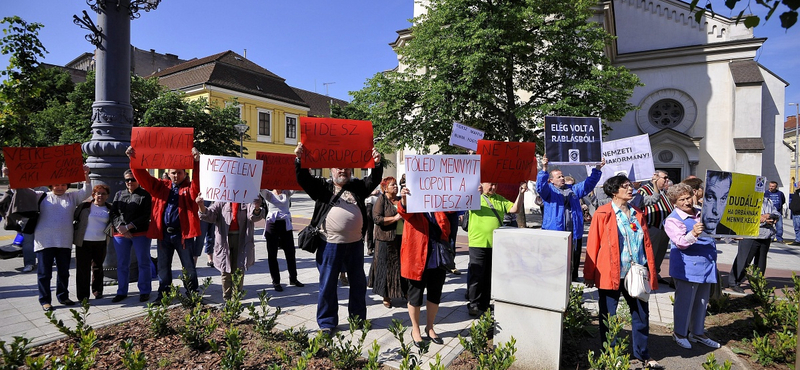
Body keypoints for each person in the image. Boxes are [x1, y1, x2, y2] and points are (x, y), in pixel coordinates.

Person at [294, 142, 383, 332]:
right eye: (338, 167)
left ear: (351, 170)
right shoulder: (322, 187)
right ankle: (327, 323)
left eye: (346, 167)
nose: (343, 170)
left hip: (355, 245)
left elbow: (374, 179)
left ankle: (358, 319)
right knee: (328, 284)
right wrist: (299, 159)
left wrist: (377, 163)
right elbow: (303, 179)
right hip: (330, 245)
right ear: (331, 169)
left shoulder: (357, 186)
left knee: (358, 283)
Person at [583, 175, 661, 369]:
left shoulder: (637, 213)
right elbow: (593, 244)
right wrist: (589, 274)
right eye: (624, 186)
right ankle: (612, 353)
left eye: (629, 185)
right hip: (610, 273)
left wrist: (650, 269)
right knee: (609, 316)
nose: (630, 189)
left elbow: (647, 245)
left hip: (636, 273)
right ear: (613, 191)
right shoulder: (602, 213)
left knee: (642, 315)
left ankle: (643, 354)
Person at [126, 146, 202, 300]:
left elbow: (197, 183)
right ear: (168, 173)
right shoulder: (160, 187)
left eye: (179, 172)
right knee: (163, 267)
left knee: (188, 266)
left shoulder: (190, 189)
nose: (176, 175)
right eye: (173, 172)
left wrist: (196, 163)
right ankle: (163, 295)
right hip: (164, 234)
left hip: (183, 235)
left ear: (185, 173)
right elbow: (143, 178)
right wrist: (133, 160)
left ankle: (192, 294)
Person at [26, 165, 93, 311]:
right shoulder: (41, 196)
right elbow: (21, 192)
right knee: (44, 274)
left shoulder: (71, 197)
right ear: (50, 185)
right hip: (44, 241)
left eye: (63, 184)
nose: (60, 187)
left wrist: (86, 174)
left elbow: (87, 191)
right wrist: (11, 175)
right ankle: (45, 300)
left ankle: (63, 296)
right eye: (56, 184)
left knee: (64, 272)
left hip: (64, 241)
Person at [663, 183, 721, 349]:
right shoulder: (673, 219)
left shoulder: (701, 212)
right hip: (687, 267)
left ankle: (697, 333)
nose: (687, 202)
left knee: (702, 301)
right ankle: (680, 333)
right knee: (684, 302)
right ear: (675, 202)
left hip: (706, 264)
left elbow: (713, 232)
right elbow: (680, 242)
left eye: (688, 197)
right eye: (681, 200)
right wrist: (693, 233)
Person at [536, 156, 605, 282]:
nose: (562, 178)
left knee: (573, 257)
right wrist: (544, 168)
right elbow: (540, 187)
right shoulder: (548, 192)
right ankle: (554, 282)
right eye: (559, 177)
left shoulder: (572, 189)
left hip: (573, 232)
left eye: (562, 176)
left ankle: (572, 281)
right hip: (555, 232)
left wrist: (598, 168)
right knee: (555, 261)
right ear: (551, 180)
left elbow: (588, 184)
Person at [397, 186, 450, 346]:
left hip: (437, 258)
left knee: (435, 294)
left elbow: (454, 210)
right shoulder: (412, 203)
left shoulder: (439, 204)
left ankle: (430, 327)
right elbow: (403, 211)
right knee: (415, 296)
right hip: (417, 257)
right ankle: (415, 329)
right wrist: (404, 199)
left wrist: (471, 192)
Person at [466, 181, 526, 316]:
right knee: (477, 275)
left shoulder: (499, 199)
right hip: (478, 243)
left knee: (488, 275)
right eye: (491, 184)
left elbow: (515, 209)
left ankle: (485, 303)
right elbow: (466, 203)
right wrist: (475, 192)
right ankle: (474, 303)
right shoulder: (476, 197)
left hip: (495, 243)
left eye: (496, 185)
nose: (493, 187)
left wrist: (520, 194)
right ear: (482, 183)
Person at [197, 196, 264, 300]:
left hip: (242, 239)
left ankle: (236, 298)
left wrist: (257, 207)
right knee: (225, 270)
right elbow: (210, 215)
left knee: (239, 269)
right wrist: (201, 205)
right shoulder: (221, 199)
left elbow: (254, 217)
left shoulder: (246, 198)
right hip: (224, 240)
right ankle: (227, 298)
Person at [110, 169, 153, 303]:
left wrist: (129, 227)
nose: (130, 182)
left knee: (143, 262)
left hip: (140, 233)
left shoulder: (145, 195)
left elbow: (146, 215)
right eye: (127, 180)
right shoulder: (119, 194)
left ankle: (145, 291)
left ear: (138, 180)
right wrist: (120, 227)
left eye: (133, 179)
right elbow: (113, 213)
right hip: (120, 234)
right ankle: (122, 291)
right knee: (122, 263)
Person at [728, 196, 779, 293]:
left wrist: (770, 215)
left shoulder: (767, 200)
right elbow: (745, 217)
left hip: (766, 236)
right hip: (750, 235)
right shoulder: (748, 199)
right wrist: (762, 220)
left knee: (761, 262)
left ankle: (757, 283)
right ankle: (734, 282)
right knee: (744, 259)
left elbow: (776, 213)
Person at [73, 184, 112, 302]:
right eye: (97, 193)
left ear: (107, 196)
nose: (100, 195)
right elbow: (75, 218)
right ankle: (83, 295)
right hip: (83, 242)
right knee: (82, 269)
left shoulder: (110, 208)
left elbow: (113, 224)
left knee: (98, 268)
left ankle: (97, 291)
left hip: (101, 242)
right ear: (93, 195)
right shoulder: (85, 206)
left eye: (103, 193)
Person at [371, 177, 405, 308]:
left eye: (396, 185)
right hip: (385, 239)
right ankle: (386, 296)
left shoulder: (400, 200)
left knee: (400, 266)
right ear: (385, 188)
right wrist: (395, 218)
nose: (395, 187)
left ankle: (403, 292)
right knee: (386, 268)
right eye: (392, 185)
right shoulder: (381, 200)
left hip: (402, 238)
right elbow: (377, 218)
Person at [261, 189, 304, 291]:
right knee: (272, 254)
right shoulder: (268, 194)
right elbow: (259, 187)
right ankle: (276, 281)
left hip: (285, 224)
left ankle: (293, 278)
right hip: (272, 224)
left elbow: (296, 185)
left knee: (290, 252)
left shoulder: (287, 193)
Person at [637, 171, 674, 283]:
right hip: (652, 226)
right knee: (650, 253)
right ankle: (646, 275)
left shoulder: (664, 192)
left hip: (664, 229)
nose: (667, 180)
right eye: (665, 178)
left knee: (660, 252)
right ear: (656, 178)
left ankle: (655, 273)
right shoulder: (644, 190)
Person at [0, 187, 38, 273]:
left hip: (41, 218)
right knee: (28, 242)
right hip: (25, 220)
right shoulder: (14, 189)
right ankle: (29, 263)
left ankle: (51, 258)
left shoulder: (43, 188)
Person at [701, 171, 732, 235]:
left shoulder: (729, 233)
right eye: (710, 197)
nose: (716, 211)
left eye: (723, 199)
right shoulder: (687, 224)